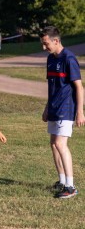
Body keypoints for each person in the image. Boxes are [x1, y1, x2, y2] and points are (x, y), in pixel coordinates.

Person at [40, 26, 85, 198]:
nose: (44, 48)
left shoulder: (69, 58)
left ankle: (71, 187)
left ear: (56, 41)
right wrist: (46, 108)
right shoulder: (51, 59)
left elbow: (79, 87)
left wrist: (80, 112)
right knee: (53, 144)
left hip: (66, 108)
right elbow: (52, 86)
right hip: (53, 107)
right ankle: (62, 181)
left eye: (46, 44)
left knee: (60, 144)